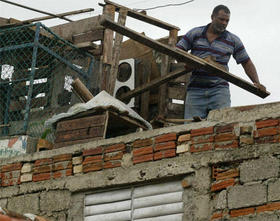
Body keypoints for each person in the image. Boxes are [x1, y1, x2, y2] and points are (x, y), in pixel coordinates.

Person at [176, 5, 265, 119]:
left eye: (227, 20)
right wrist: (188, 63)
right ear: (212, 17)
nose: (224, 23)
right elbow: (178, 51)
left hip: (219, 91)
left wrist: (256, 82)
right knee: (190, 128)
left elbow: (246, 62)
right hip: (195, 91)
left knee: (221, 127)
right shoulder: (195, 33)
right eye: (221, 19)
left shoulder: (233, 40)